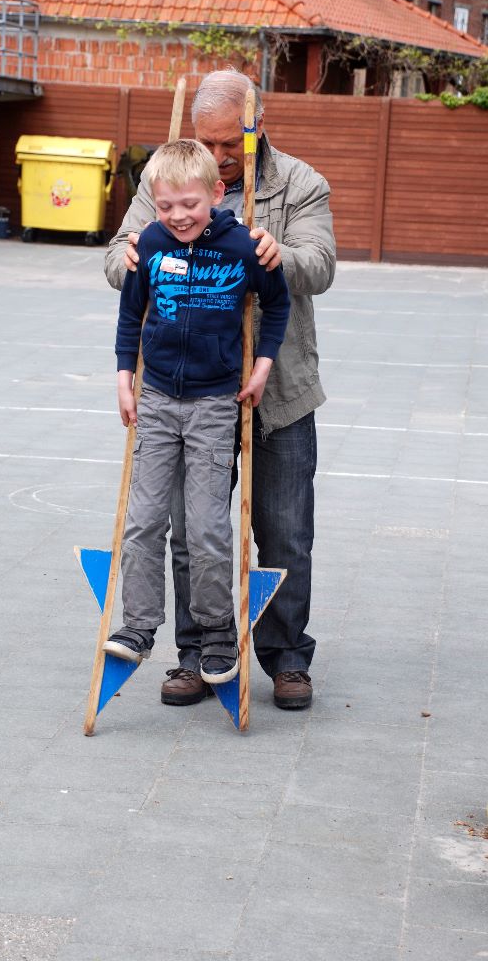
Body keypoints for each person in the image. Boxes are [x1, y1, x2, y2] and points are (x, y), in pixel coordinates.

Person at [105, 68, 336, 709]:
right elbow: (118, 254)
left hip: (277, 391)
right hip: (183, 393)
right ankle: (195, 653)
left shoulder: (300, 183)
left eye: (232, 143)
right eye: (208, 142)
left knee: (285, 532)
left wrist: (274, 253)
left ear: (258, 126)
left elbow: (319, 267)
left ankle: (286, 657)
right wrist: (126, 258)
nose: (221, 156)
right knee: (189, 528)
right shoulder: (175, 180)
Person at [105, 139, 290, 686]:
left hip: (214, 406)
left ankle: (214, 634)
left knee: (206, 527)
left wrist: (262, 366)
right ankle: (138, 626)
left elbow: (276, 305)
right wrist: (123, 377)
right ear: (154, 203)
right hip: (157, 401)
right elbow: (129, 313)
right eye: (166, 206)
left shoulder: (244, 247)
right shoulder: (151, 246)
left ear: (215, 193)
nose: (178, 216)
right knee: (143, 522)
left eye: (189, 203)